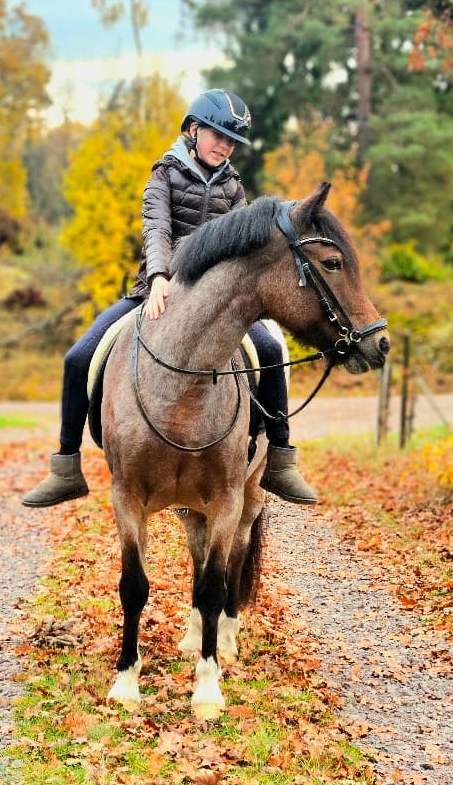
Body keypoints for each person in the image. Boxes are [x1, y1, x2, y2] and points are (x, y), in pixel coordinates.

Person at [22, 88, 317, 508]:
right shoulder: (163, 175)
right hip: (155, 290)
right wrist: (160, 275)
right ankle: (66, 466)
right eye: (218, 135)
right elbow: (156, 229)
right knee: (78, 357)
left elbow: (241, 249)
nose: (225, 146)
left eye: (232, 141)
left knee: (269, 350)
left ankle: (281, 460)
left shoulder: (234, 187)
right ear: (193, 130)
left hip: (218, 304)